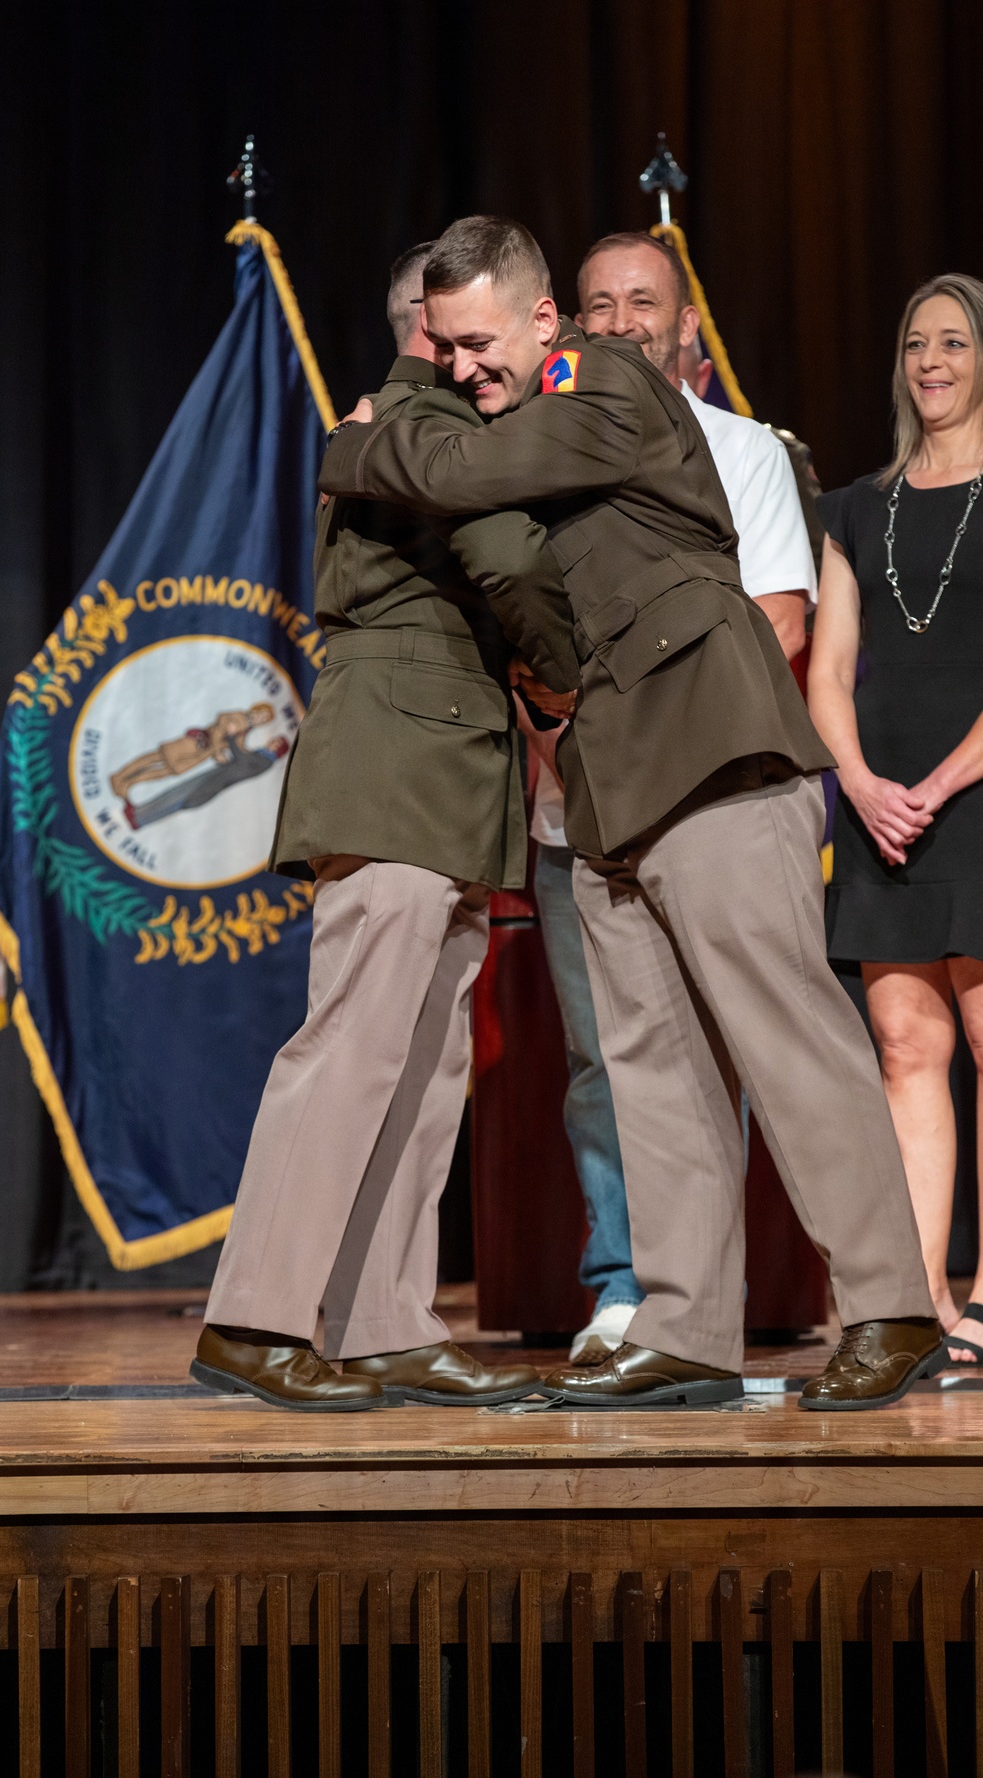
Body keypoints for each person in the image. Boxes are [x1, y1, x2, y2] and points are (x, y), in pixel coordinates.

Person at [321, 213, 943, 1410]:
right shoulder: (523, 424)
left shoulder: (599, 381)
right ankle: (687, 1326)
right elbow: (501, 554)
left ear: (544, 319)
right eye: (439, 349)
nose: (462, 366)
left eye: (475, 341)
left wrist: (359, 441)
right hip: (609, 781)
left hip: (709, 747)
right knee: (654, 1066)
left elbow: (458, 479)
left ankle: (890, 1304)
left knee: (787, 1035)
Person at [193, 241, 579, 1410]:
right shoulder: (413, 422)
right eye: (453, 330)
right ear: (424, 322)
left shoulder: (423, 417)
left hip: (449, 767)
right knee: (355, 1043)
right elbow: (505, 556)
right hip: (401, 758)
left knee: (422, 1059)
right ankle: (255, 1315)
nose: (471, 354)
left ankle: (384, 1319)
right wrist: (563, 675)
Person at [527, 230, 817, 1362]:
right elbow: (523, 631)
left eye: (640, 302)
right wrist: (555, 719)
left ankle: (707, 1298)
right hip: (577, 815)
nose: (617, 321)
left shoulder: (740, 450)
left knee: (735, 1051)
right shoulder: (535, 451)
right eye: (595, 303)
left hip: (704, 806)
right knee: (611, 1061)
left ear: (689, 325)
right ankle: (625, 1284)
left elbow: (776, 625)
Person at [808, 272, 983, 1368]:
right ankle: (919, 1302)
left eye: (955, 342)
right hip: (884, 807)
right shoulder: (856, 506)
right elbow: (828, 667)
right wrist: (863, 781)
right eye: (916, 342)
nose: (931, 362)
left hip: (974, 792)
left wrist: (951, 775)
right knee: (904, 1044)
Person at [123, 734, 291, 830]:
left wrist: (231, 739)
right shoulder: (261, 755)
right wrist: (224, 760)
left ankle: (139, 819)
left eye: (276, 743)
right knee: (173, 794)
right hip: (213, 778)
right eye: (274, 740)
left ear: (278, 750)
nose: (272, 742)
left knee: (173, 800)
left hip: (210, 785)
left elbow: (241, 761)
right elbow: (238, 768)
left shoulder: (265, 762)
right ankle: (139, 811)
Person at [110, 703, 273, 798]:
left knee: (168, 771)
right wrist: (218, 750)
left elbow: (238, 747)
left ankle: (128, 783)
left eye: (265, 719)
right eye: (262, 714)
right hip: (196, 742)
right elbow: (220, 724)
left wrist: (240, 756)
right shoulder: (238, 715)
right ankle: (119, 776)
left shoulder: (245, 732)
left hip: (202, 754)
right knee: (156, 757)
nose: (261, 718)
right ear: (256, 709)